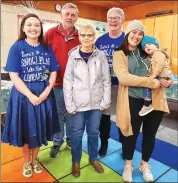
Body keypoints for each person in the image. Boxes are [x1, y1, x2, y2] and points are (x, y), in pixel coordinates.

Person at [113, 20, 172, 182]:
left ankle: (144, 164)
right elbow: (124, 78)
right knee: (130, 135)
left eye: (140, 33)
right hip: (132, 100)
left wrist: (169, 79)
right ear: (127, 33)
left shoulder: (147, 50)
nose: (137, 36)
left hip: (155, 100)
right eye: (134, 32)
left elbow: (163, 61)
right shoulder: (119, 53)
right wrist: (151, 82)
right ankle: (128, 164)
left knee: (150, 135)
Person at [2, 13, 60, 178]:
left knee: (40, 129)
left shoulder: (46, 47)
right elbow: (14, 75)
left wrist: (46, 92)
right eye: (29, 25)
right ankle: (27, 161)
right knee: (28, 130)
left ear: (41, 28)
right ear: (23, 27)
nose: (33, 28)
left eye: (37, 25)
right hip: (23, 96)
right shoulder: (17, 47)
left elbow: (53, 71)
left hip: (44, 94)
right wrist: (31, 96)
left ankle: (36, 159)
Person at [63, 24, 111, 178]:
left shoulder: (101, 56)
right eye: (83, 35)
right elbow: (68, 81)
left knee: (93, 132)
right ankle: (75, 162)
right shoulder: (73, 56)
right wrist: (69, 104)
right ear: (79, 37)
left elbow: (106, 80)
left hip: (96, 104)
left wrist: (105, 101)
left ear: (94, 37)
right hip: (77, 104)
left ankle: (93, 158)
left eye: (89, 35)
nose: (86, 38)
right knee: (76, 134)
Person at [44, 3, 80, 158]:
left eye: (73, 15)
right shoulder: (50, 34)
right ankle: (57, 141)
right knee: (58, 114)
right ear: (61, 15)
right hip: (56, 83)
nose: (69, 17)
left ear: (76, 17)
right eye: (67, 14)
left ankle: (71, 140)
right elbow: (43, 55)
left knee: (73, 113)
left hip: (76, 85)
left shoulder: (81, 36)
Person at [95, 7, 125, 157]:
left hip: (123, 86)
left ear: (122, 20)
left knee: (123, 117)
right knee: (104, 118)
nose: (113, 20)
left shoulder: (127, 39)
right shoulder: (100, 41)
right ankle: (104, 143)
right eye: (110, 18)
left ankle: (124, 145)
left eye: (116, 18)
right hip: (104, 86)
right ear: (106, 20)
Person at [138, 35, 172, 116]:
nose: (147, 47)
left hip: (158, 97)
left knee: (148, 84)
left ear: (156, 46)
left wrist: (153, 76)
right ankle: (147, 105)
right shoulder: (151, 56)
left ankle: (147, 104)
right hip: (141, 99)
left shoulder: (158, 53)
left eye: (149, 44)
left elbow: (159, 66)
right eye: (145, 46)